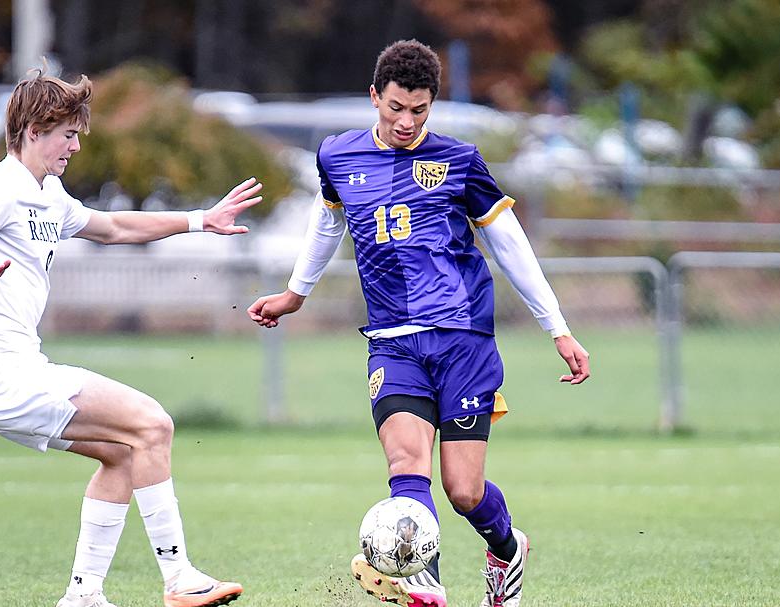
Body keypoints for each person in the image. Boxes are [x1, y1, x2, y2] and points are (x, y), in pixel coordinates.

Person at [247, 40, 590, 607]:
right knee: (407, 465)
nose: (407, 122)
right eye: (396, 109)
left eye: (420, 110)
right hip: (392, 342)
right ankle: (422, 578)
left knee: (463, 490)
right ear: (375, 97)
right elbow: (328, 220)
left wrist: (557, 326)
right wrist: (294, 294)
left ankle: (506, 547)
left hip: (464, 340)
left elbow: (508, 241)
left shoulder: (458, 161)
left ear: (433, 104)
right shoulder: (337, 156)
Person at [0, 65, 262, 607]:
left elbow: (113, 228)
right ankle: (179, 579)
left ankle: (84, 596)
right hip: (0, 373)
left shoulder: (47, 193)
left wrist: (201, 220)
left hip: (8, 373)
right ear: (34, 130)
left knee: (125, 454)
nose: (76, 146)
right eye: (68, 134)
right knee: (153, 423)